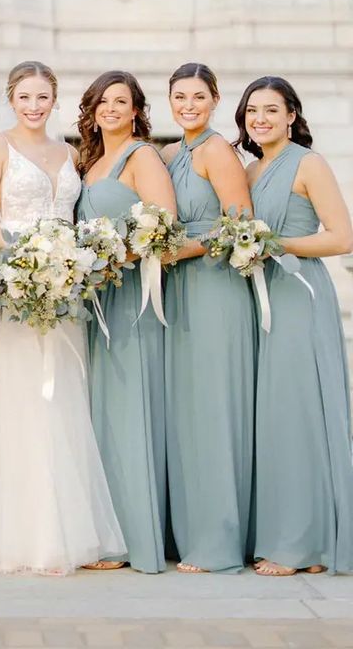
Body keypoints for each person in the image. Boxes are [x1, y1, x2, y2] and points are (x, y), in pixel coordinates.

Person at [0, 61, 125, 574]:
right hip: (18, 290)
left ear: (54, 100)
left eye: (42, 98)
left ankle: (70, 532)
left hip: (65, 293)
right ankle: (28, 539)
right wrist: (25, 262)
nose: (33, 107)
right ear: (11, 98)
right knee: (22, 404)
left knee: (64, 404)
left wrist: (65, 264)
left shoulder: (69, 153)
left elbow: (72, 218)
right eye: (25, 97)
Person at [236, 76, 353, 576]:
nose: (260, 119)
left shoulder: (309, 163)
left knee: (298, 413)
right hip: (260, 299)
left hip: (300, 296)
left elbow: (342, 237)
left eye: (270, 110)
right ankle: (282, 531)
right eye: (251, 111)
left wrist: (276, 243)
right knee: (272, 418)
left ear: (291, 115)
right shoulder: (250, 168)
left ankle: (302, 545)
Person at [76, 70, 175, 574]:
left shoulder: (142, 156)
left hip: (130, 295)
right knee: (99, 413)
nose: (111, 109)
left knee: (127, 408)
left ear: (136, 109)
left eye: (121, 101)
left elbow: (165, 225)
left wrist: (118, 258)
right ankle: (104, 532)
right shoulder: (89, 164)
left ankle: (136, 538)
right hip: (94, 302)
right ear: (91, 111)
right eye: (102, 102)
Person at [161, 63, 256, 573]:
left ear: (215, 99)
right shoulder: (176, 154)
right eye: (180, 97)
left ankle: (218, 542)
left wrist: (178, 253)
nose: (189, 105)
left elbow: (238, 224)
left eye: (198, 96)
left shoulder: (218, 150)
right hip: (180, 290)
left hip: (215, 286)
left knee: (214, 411)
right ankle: (190, 528)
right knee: (190, 413)